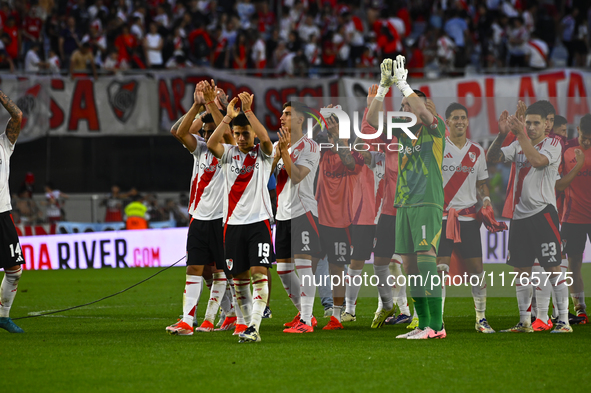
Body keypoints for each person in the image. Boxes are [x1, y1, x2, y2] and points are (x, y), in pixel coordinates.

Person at [368, 56, 446, 339]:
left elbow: (423, 114)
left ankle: (436, 326)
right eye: (401, 107)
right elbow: (371, 120)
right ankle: (422, 324)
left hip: (427, 200)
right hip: (403, 204)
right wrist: (383, 88)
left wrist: (403, 84)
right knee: (411, 267)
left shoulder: (436, 129)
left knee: (426, 260)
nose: (404, 109)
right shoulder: (401, 134)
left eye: (408, 105)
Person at [487, 104, 572, 333]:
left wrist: (520, 135)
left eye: (536, 123)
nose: (532, 127)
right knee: (521, 270)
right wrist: (503, 134)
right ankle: (525, 321)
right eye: (528, 123)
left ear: (547, 124)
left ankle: (563, 321)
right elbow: (492, 158)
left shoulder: (554, 144)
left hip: (543, 213)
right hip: (519, 217)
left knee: (553, 268)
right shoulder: (517, 143)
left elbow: (537, 161)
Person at [166, 82, 239, 336]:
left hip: (222, 218)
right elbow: (179, 132)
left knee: (224, 271)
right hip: (198, 217)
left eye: (211, 132)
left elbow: (228, 134)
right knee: (196, 268)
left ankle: (225, 315)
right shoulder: (200, 150)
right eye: (206, 132)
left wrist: (214, 104)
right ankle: (188, 320)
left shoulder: (231, 150)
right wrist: (198, 104)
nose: (208, 136)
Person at [207, 92, 274, 343]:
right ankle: (244, 324)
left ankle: (254, 327)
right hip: (232, 225)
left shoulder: (263, 154)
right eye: (238, 134)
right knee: (239, 279)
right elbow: (212, 144)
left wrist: (249, 111)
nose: (242, 138)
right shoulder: (227, 153)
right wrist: (227, 118)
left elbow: (267, 139)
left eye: (246, 133)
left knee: (259, 273)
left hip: (258, 223)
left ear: (253, 133)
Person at [438, 102, 494, 333]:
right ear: (447, 122)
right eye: (455, 118)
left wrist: (487, 200)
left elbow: (482, 184)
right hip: (442, 218)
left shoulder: (477, 151)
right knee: (439, 271)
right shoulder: (439, 147)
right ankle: (436, 319)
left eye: (463, 118)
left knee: (477, 271)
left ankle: (480, 318)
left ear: (467, 122)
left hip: (469, 219)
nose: (460, 121)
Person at [273, 101, 320, 333]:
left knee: (304, 267)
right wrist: (276, 154)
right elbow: (267, 179)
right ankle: (304, 314)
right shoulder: (276, 146)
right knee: (282, 271)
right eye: (282, 113)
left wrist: (283, 152)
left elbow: (298, 175)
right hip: (282, 214)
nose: (282, 117)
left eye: (288, 114)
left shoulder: (310, 146)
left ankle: (306, 320)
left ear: (301, 120)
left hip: (303, 211)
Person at [556, 114, 591, 324]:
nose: (587, 142)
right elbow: (558, 185)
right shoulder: (565, 149)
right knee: (574, 263)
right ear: (577, 130)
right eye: (585, 137)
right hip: (572, 217)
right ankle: (580, 308)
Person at [0, 89, 24, 333]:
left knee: (15, 271)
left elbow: (17, 115)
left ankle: (3, 316)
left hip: (2, 216)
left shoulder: (4, 144)